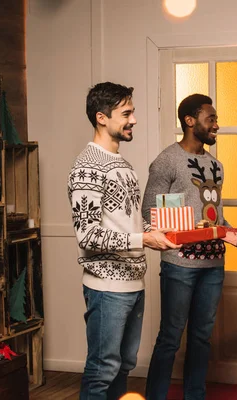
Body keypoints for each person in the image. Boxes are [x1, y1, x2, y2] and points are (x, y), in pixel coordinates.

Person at [143, 94, 237, 400]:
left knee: (201, 338)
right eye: (211, 119)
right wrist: (175, 231)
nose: (217, 125)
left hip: (213, 266)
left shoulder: (216, 165)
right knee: (170, 337)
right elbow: (148, 211)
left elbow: (216, 217)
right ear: (190, 121)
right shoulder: (167, 160)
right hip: (178, 264)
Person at [68, 82, 178, 400]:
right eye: (126, 113)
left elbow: (130, 220)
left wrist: (166, 232)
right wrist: (143, 238)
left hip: (134, 284)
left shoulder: (123, 166)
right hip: (106, 289)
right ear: (102, 118)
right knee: (102, 371)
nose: (134, 120)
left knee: (122, 368)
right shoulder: (87, 167)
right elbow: (88, 235)